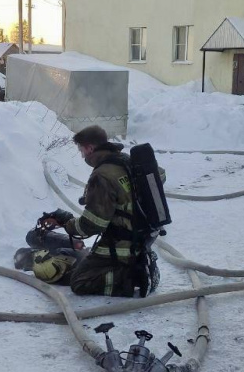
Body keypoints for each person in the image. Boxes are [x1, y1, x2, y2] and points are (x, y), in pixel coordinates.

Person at [43, 125, 165, 297]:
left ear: (90, 148)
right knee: (87, 260)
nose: (82, 155)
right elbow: (160, 176)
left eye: (82, 150)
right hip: (143, 236)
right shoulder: (126, 160)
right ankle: (137, 262)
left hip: (121, 243)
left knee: (80, 281)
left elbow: (92, 225)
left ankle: (134, 276)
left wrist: (67, 223)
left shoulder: (102, 175)